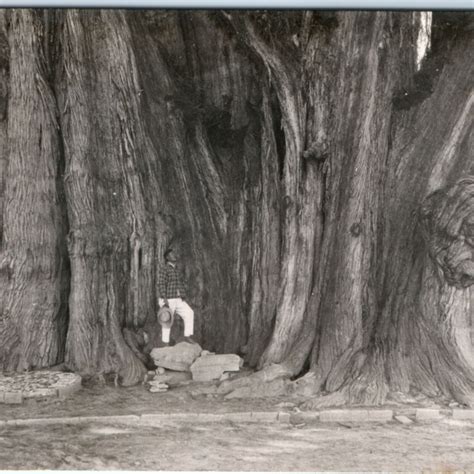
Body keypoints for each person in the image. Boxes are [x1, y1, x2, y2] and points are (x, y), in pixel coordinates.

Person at [158, 246, 195, 345]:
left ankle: (187, 336)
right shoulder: (164, 269)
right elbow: (161, 283)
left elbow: (179, 284)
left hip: (178, 299)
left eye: (174, 254)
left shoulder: (176, 269)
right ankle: (165, 343)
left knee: (189, 313)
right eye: (172, 254)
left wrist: (183, 294)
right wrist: (164, 299)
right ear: (167, 258)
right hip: (168, 299)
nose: (174, 256)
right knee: (167, 319)